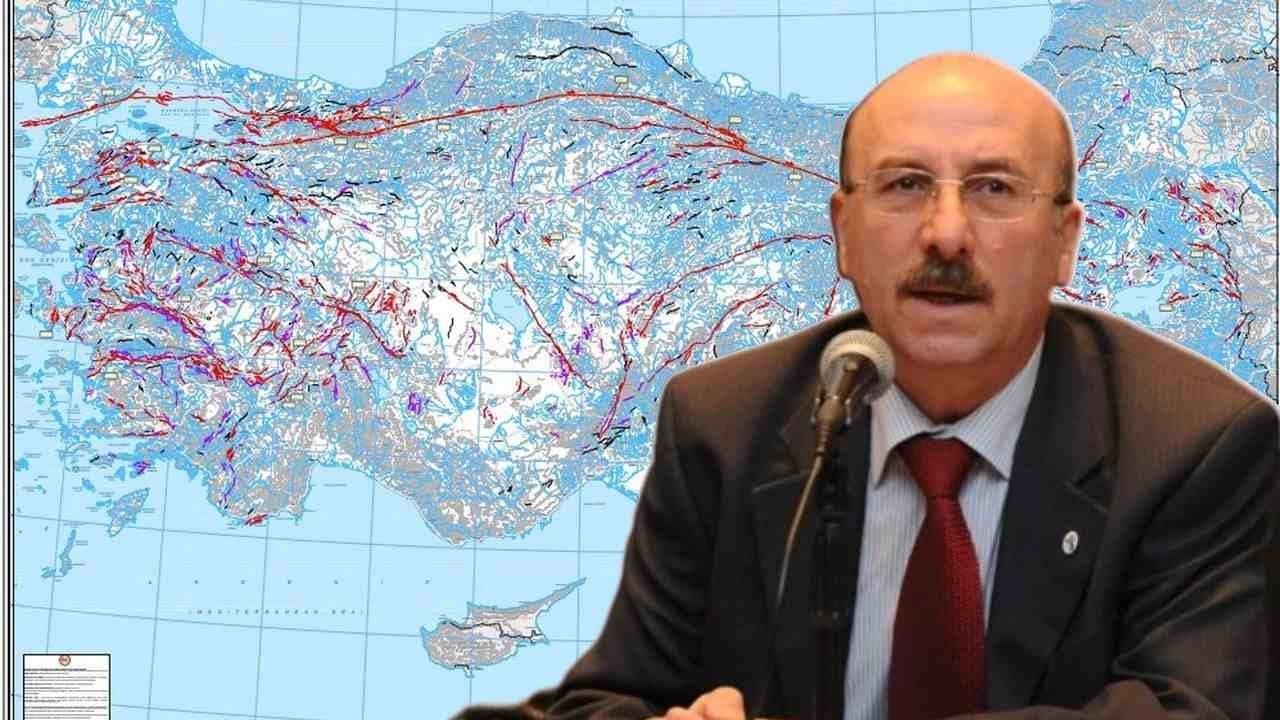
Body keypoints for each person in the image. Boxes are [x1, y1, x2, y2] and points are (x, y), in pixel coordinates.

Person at [455, 52, 1278, 719]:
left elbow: (1194, 711)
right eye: (905, 185)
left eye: (994, 189)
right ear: (844, 232)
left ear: (1064, 241)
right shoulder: (724, 424)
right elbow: (610, 698)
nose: (946, 235)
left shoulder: (1196, 445)